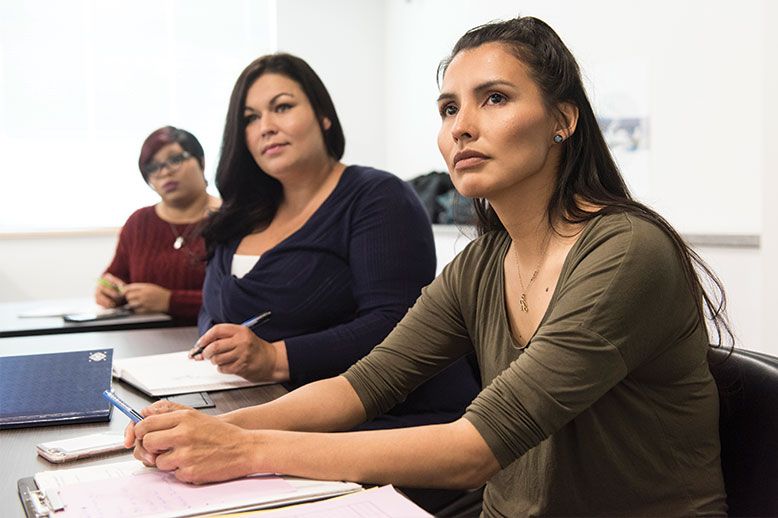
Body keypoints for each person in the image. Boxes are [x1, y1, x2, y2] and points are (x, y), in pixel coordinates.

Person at [127, 17, 732, 516]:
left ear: (562, 119)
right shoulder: (481, 262)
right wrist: (207, 430)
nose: (461, 126)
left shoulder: (625, 250)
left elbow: (475, 449)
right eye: (448, 108)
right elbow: (363, 385)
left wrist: (246, 448)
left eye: (494, 98)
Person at [191, 52, 479, 433]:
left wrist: (275, 357)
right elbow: (211, 309)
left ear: (323, 116)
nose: (266, 127)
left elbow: (396, 324)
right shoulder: (238, 215)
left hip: (391, 422)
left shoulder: (378, 197)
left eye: (282, 107)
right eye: (250, 118)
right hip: (269, 407)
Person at [96, 127, 220, 323]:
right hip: (144, 338)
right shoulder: (139, 222)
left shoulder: (230, 217)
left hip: (212, 336)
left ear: (201, 161)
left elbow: (239, 298)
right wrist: (107, 289)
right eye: (153, 167)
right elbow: (115, 276)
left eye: (175, 159)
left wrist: (170, 301)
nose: (165, 172)